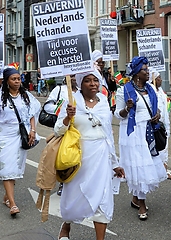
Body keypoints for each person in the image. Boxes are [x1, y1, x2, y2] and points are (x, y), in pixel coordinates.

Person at [54, 68, 125, 240]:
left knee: (103, 199)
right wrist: (67, 118)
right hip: (78, 158)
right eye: (87, 80)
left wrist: (114, 163)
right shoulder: (70, 102)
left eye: (95, 80)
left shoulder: (103, 103)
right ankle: (66, 225)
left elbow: (108, 134)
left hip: (101, 158)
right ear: (79, 82)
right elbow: (57, 130)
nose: (92, 84)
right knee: (74, 199)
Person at [0, 67, 41, 216]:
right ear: (7, 81)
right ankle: (13, 204)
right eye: (13, 79)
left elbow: (32, 113)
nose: (16, 81)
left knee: (14, 168)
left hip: (20, 135)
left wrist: (32, 130)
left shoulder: (26, 96)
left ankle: (7, 196)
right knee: (6, 167)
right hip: (4, 135)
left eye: (18, 79)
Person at [114, 56, 167, 221]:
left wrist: (157, 114)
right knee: (139, 167)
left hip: (149, 131)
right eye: (144, 69)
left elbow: (155, 107)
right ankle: (142, 203)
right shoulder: (124, 90)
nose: (148, 71)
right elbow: (118, 114)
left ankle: (136, 198)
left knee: (146, 165)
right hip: (133, 133)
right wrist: (127, 109)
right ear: (137, 73)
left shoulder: (151, 89)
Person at [43, 74, 78, 196]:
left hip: (79, 131)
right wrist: (62, 110)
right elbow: (48, 107)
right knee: (66, 158)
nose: (74, 78)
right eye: (72, 76)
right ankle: (63, 183)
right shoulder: (59, 89)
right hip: (64, 127)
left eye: (76, 76)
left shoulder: (81, 92)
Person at [151, 71, 171, 180]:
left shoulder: (160, 90)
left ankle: (165, 169)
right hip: (154, 124)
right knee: (157, 146)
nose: (161, 80)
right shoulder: (151, 89)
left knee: (164, 145)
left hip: (164, 123)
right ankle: (156, 170)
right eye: (158, 78)